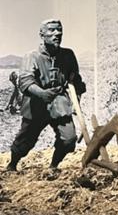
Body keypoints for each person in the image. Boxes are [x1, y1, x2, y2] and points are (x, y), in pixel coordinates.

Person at [6, 19, 86, 172]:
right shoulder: (32, 56)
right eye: (52, 30)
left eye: (59, 30)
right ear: (42, 35)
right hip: (36, 104)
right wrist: (42, 93)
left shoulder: (68, 55)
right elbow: (26, 81)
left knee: (68, 140)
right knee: (25, 142)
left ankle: (53, 166)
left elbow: (75, 79)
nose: (57, 33)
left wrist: (78, 95)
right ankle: (12, 165)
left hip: (60, 103)